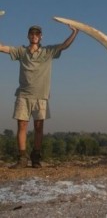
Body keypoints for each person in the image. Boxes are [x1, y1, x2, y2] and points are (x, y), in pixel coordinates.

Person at [0, 24, 78, 168]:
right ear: (28, 36)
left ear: (41, 36)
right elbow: (2, 47)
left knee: (38, 127)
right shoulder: (21, 51)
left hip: (41, 96)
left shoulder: (48, 51)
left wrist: (75, 32)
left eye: (37, 34)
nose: (34, 36)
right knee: (22, 125)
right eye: (32, 33)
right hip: (23, 95)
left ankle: (36, 157)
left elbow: (64, 46)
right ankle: (22, 158)